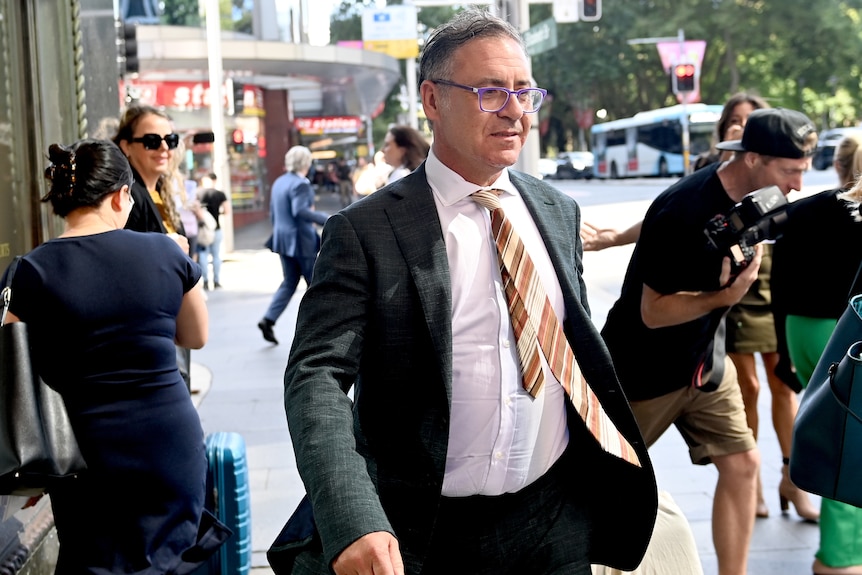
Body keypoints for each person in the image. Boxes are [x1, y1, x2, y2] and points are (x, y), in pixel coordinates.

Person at [273, 10, 657, 575]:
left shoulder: (556, 210)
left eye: (524, 92)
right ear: (432, 100)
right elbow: (317, 376)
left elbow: (569, 348)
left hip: (553, 516)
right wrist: (354, 516)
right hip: (422, 530)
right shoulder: (366, 230)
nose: (514, 110)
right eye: (489, 91)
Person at [581, 94, 819, 522]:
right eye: (790, 171)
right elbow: (653, 313)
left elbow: (801, 223)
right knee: (600, 485)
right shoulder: (686, 206)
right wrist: (724, 298)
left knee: (743, 465)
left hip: (705, 363)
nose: (798, 184)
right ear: (753, 159)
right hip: (646, 369)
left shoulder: (765, 194)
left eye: (802, 171)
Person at [0, 139, 228, 573]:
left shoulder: (30, 271)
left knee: (95, 558)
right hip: (170, 444)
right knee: (172, 558)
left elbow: (10, 371)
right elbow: (196, 336)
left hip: (84, 453)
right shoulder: (164, 251)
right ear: (122, 195)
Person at [772, 134, 862, 575]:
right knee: (855, 445)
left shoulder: (803, 209)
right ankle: (839, 556)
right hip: (851, 338)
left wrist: (782, 353)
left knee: (840, 433)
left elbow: (779, 284)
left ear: (838, 165)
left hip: (802, 331)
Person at [257, 146, 328, 345]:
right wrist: (328, 219)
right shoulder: (301, 184)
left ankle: (268, 319)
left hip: (283, 239)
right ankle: (318, 328)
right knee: (316, 284)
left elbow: (273, 213)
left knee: (289, 281)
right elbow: (300, 211)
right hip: (300, 240)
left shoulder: (279, 182)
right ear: (306, 163)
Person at [112, 104, 189, 254]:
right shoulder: (125, 196)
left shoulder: (162, 190)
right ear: (126, 146)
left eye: (170, 140)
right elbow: (119, 254)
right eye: (152, 141)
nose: (164, 147)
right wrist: (166, 249)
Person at [197, 173, 230, 290]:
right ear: (215, 180)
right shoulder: (220, 194)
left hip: (202, 231)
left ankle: (205, 281)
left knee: (203, 255)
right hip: (216, 229)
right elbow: (227, 211)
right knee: (216, 256)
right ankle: (216, 281)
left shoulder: (198, 193)